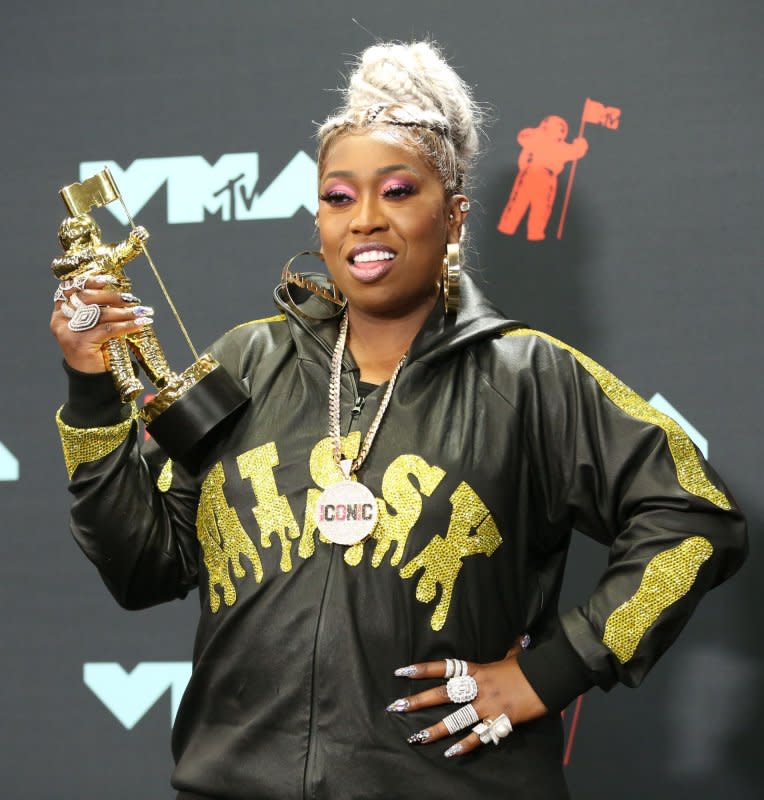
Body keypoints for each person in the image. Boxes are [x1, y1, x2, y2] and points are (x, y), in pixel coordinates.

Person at [50, 41, 747, 800]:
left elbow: (695, 518)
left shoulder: (529, 375)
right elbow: (143, 566)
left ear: (453, 215)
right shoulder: (247, 362)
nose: (366, 222)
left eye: (399, 191)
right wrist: (91, 388)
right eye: (339, 197)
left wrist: (549, 671)